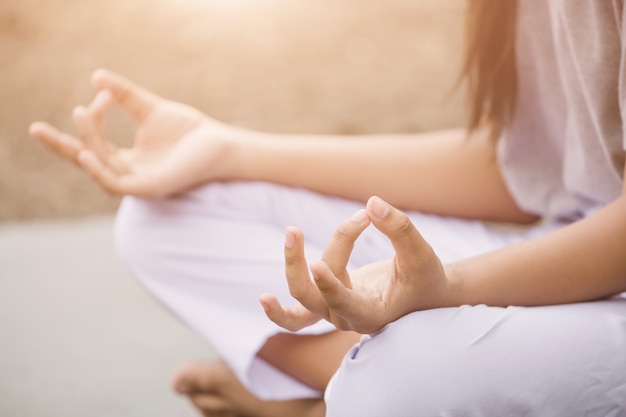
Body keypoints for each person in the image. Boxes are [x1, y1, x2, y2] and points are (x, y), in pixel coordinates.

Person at [29, 0, 626, 415]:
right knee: (164, 218)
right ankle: (345, 393)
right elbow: (523, 166)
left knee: (400, 382)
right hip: (566, 254)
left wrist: (448, 287)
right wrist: (230, 150)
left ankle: (325, 403)